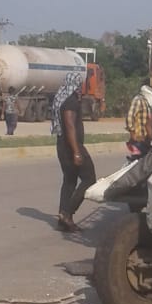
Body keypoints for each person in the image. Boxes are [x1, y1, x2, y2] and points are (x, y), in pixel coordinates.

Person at [50, 69, 96, 232]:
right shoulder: (70, 102)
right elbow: (70, 127)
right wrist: (77, 151)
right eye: (80, 84)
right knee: (89, 179)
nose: (81, 87)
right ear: (75, 84)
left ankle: (63, 219)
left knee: (69, 181)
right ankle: (68, 213)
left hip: (62, 145)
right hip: (71, 146)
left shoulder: (62, 99)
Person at [125, 90, 152, 159]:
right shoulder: (139, 100)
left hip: (145, 139)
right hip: (138, 138)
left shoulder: (147, 101)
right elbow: (130, 117)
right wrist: (133, 132)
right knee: (137, 161)